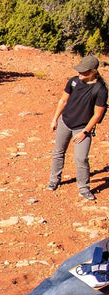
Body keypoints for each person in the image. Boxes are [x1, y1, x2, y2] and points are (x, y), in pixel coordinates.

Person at [48, 54, 107, 201]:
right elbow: (63, 101)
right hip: (65, 122)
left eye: (84, 71)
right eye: (79, 70)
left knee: (81, 159)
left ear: (93, 72)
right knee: (58, 152)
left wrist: (85, 132)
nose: (79, 73)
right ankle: (54, 180)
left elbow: (97, 115)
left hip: (82, 127)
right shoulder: (73, 82)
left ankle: (84, 188)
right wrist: (55, 119)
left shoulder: (100, 89)